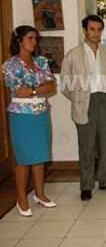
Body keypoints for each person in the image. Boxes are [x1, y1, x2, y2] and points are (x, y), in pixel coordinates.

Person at [60, 15, 106, 200]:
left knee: (105, 145)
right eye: (92, 29)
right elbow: (64, 84)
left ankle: (105, 180)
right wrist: (78, 98)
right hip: (84, 103)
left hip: (104, 100)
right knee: (87, 147)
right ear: (85, 30)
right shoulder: (73, 54)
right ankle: (86, 185)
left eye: (98, 29)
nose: (95, 33)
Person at [2, 25, 57, 216]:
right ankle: (21, 198)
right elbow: (18, 91)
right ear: (19, 40)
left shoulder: (41, 61)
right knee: (24, 158)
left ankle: (40, 194)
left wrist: (32, 89)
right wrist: (37, 88)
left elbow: (51, 85)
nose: (34, 42)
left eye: (36, 38)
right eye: (31, 38)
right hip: (21, 117)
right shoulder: (10, 65)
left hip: (41, 113)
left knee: (40, 155)